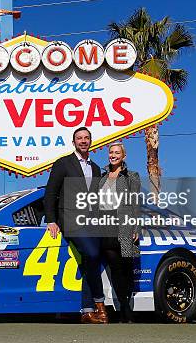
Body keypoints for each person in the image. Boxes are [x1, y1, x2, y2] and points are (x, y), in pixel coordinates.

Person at [43, 127, 106, 324]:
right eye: (79, 138)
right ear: (74, 142)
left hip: (91, 223)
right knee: (92, 255)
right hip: (70, 221)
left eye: (86, 138)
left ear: (91, 141)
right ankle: (100, 304)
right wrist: (51, 220)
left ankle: (88, 311)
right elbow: (51, 192)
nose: (83, 141)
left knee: (91, 262)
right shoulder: (63, 163)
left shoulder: (95, 168)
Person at [98, 141, 141, 323]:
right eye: (111, 152)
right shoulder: (101, 177)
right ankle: (123, 306)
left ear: (123, 156)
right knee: (115, 268)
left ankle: (127, 306)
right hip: (105, 225)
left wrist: (136, 226)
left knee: (126, 267)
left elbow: (135, 203)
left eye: (117, 153)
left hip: (124, 224)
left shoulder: (132, 176)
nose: (113, 155)